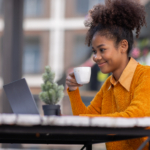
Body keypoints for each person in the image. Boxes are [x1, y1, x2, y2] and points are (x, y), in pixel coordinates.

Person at [66, 0, 149, 149]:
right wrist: (73, 91)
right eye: (94, 51)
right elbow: (84, 122)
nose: (96, 57)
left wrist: (87, 120)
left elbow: (132, 118)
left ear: (123, 46)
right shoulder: (108, 86)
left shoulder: (146, 76)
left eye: (102, 50)